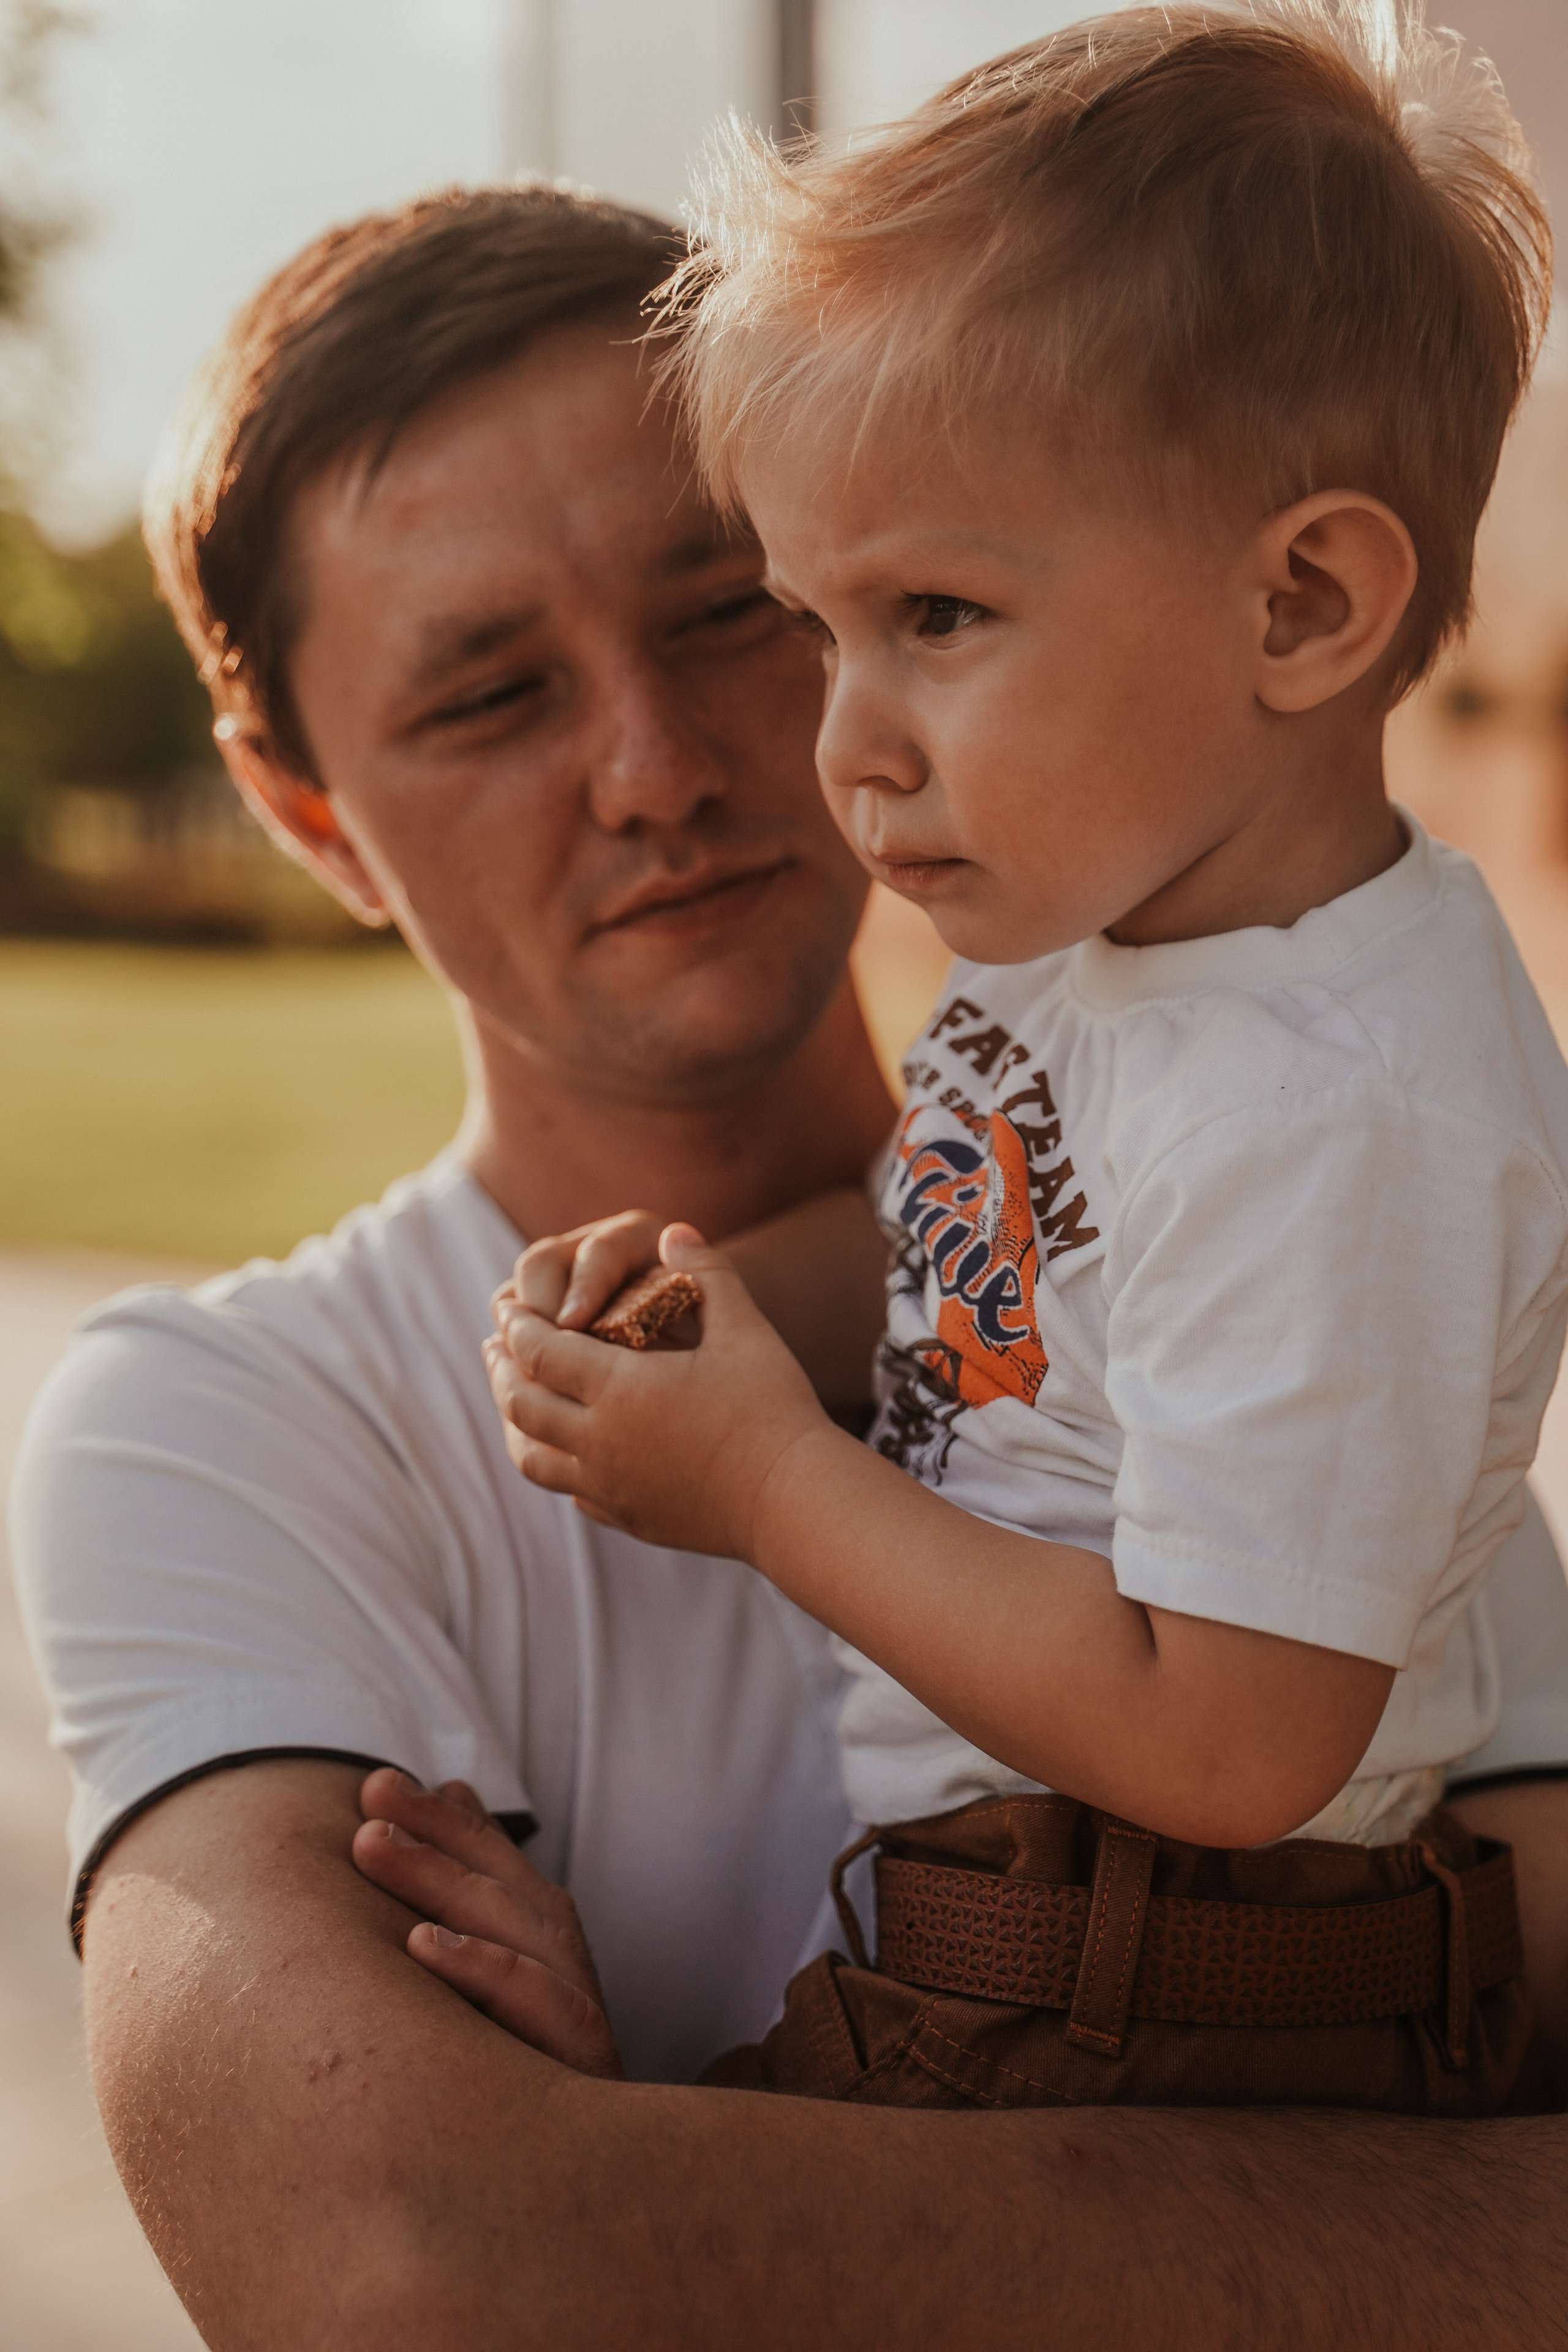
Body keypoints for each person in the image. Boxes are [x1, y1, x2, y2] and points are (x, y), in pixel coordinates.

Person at [8, 179, 1567, 2348]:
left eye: (736, 608)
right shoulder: (243, 1428)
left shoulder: (1256, 1193)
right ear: (304, 813)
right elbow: (404, 2267)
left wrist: (653, 2162)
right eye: (489, 696)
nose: (665, 768)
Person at [472, 3, 1568, 2122]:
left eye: (941, 617)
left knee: (628, 2232)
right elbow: (963, 1265)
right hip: (1031, 1937)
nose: (844, 741)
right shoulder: (1103, 953)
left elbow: (1233, 1745)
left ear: (1303, 607)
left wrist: (767, 1484)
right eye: (819, 627)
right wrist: (702, 1302)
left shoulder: (1339, 1103)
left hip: (1160, 1981)